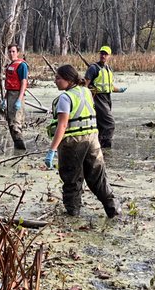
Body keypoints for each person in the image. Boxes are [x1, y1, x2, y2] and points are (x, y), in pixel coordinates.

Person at [43, 64, 119, 218]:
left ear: (68, 80)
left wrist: (51, 150)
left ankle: (73, 212)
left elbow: (63, 125)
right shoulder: (86, 91)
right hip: (92, 139)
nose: (55, 81)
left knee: (72, 179)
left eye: (58, 78)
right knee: (98, 177)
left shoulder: (66, 97)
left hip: (73, 142)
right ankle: (113, 209)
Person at [84, 45, 126, 149]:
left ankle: (97, 147)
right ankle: (106, 147)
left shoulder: (109, 69)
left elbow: (109, 87)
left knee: (100, 124)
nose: (103, 56)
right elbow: (85, 85)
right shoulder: (93, 68)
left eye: (105, 54)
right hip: (97, 98)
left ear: (109, 56)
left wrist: (119, 90)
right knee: (109, 123)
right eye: (102, 53)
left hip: (107, 98)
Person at [3, 43, 29, 151]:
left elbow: (24, 82)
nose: (11, 54)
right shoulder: (10, 65)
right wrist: (4, 99)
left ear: (17, 53)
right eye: (9, 52)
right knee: (10, 121)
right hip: (10, 94)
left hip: (17, 94)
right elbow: (9, 84)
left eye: (13, 51)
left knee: (16, 123)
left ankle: (21, 151)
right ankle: (16, 146)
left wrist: (19, 99)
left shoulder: (22, 65)